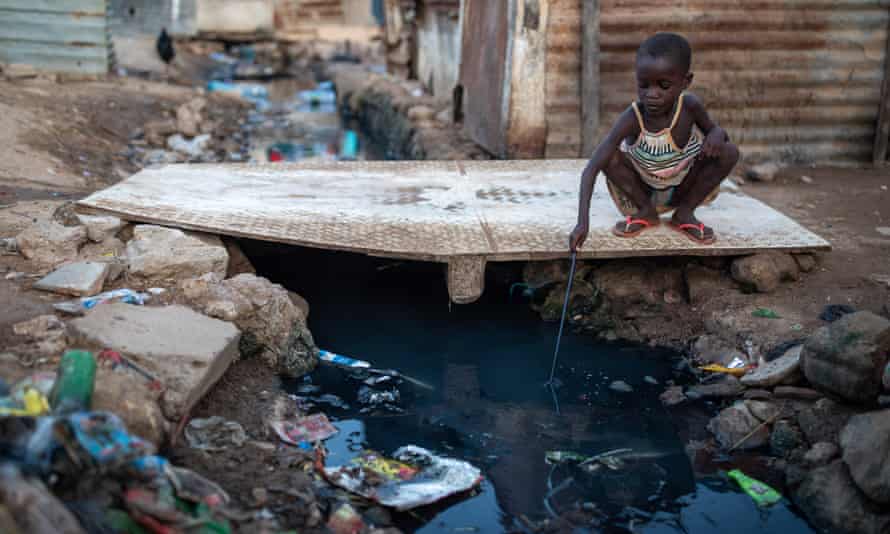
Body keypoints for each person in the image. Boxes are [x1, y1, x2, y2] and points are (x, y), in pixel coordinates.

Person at [569, 33, 739, 250]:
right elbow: (591, 168)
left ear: (686, 82)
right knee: (608, 155)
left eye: (663, 85)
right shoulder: (632, 118)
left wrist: (717, 132)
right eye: (644, 85)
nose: (652, 94)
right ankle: (646, 212)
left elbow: (718, 135)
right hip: (642, 190)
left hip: (683, 186)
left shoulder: (690, 107)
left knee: (729, 152)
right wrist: (582, 223)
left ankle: (685, 212)